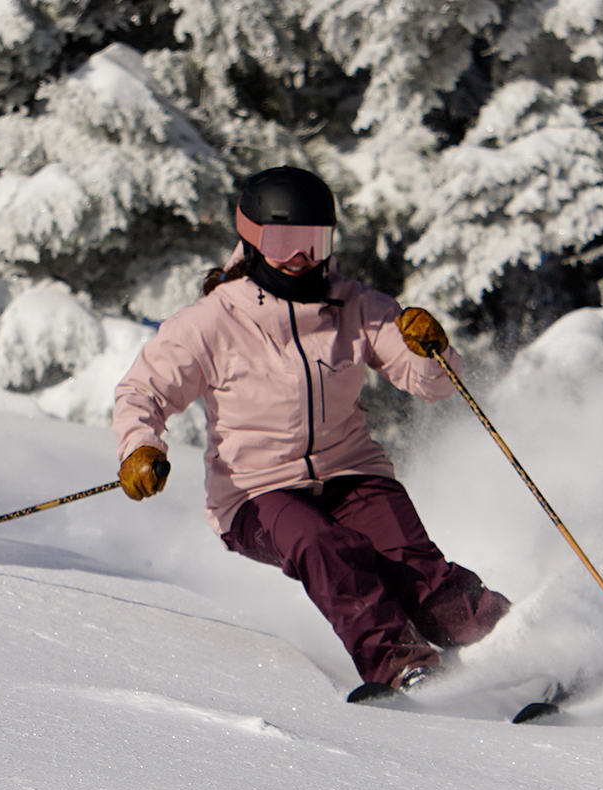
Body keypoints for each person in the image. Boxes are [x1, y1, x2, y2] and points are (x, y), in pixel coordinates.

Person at [111, 166, 511, 698]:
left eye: (314, 242)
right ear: (251, 240)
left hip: (352, 472)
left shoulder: (358, 308)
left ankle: (507, 642)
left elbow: (432, 385)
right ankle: (403, 667)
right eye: (283, 242)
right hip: (256, 493)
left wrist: (429, 350)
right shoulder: (210, 323)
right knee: (323, 547)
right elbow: (143, 391)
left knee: (413, 563)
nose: (301, 257)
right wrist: (140, 445)